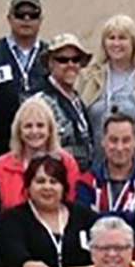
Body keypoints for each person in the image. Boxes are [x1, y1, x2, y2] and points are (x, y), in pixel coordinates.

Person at [75, 113, 135, 259]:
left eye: (126, 140)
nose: (120, 147)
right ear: (103, 141)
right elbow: (83, 230)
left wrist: (100, 220)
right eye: (113, 140)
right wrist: (133, 218)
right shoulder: (86, 183)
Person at [0, 154, 96, 267]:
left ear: (63, 187)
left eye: (54, 182)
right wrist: (27, 263)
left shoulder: (84, 216)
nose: (47, 187)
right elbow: (11, 252)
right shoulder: (11, 219)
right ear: (28, 186)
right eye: (40, 181)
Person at [77, 15, 135, 160]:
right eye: (111, 38)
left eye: (122, 38)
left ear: (134, 42)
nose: (116, 43)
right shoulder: (88, 77)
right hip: (97, 165)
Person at [0, 0, 50, 158]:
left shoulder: (52, 55)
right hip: (0, 149)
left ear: (40, 20)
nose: (26, 19)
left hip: (43, 152)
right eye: (20, 15)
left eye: (33, 15)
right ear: (9, 18)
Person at [0, 96, 81, 212]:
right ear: (19, 131)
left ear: (50, 130)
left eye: (40, 126)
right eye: (28, 126)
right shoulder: (1, 166)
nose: (34, 132)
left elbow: (71, 204)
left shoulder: (66, 162)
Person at [39, 34, 95, 170]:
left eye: (75, 60)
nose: (70, 65)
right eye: (63, 60)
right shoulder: (40, 102)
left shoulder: (77, 100)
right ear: (50, 63)